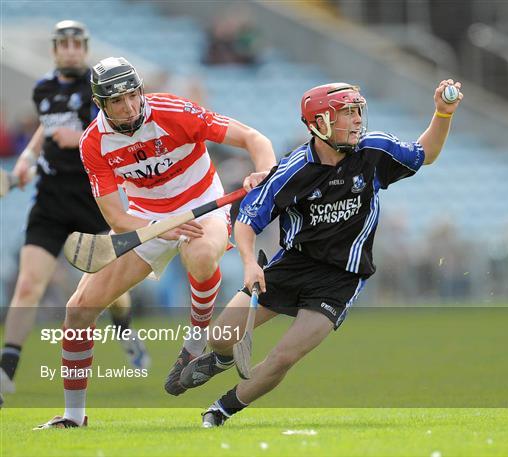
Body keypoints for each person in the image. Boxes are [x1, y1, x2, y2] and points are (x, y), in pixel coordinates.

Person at [175, 80, 464, 427]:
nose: (357, 120)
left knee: (283, 356)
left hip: (341, 277)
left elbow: (424, 154)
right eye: (346, 113)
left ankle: (221, 410)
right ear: (320, 123)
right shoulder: (293, 170)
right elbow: (247, 222)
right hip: (293, 264)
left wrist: (443, 113)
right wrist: (250, 264)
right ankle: (220, 360)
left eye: (358, 111)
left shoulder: (374, 151)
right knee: (220, 337)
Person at [35, 56, 276, 429]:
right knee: (79, 310)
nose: (129, 106)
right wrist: (157, 226)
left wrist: (264, 172)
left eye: (133, 95)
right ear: (100, 104)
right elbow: (116, 217)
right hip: (146, 219)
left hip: (201, 204)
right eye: (117, 101)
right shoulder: (94, 142)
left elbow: (253, 138)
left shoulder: (174, 110)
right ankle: (73, 416)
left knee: (200, 256)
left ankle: (194, 344)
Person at [0, 21, 149, 398]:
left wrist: (79, 135)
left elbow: (113, 131)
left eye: (76, 43)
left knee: (112, 291)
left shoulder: (100, 91)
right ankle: (6, 371)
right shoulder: (43, 88)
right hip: (49, 201)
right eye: (62, 43)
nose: (69, 49)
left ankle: (124, 328)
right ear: (54, 49)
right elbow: (45, 128)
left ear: (84, 48)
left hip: (94, 200)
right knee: (29, 283)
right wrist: (28, 158)